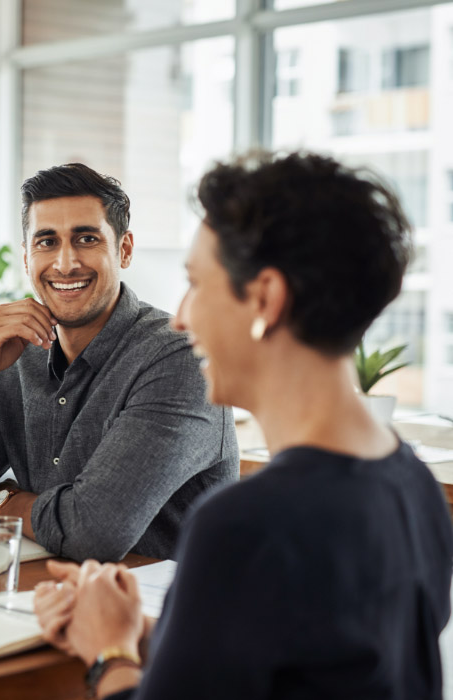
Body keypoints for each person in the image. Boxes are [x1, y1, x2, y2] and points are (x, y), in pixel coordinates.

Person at [34, 151, 453, 699]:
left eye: (197, 284)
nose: (181, 316)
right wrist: (148, 629)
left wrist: (110, 651)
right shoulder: (412, 486)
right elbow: (315, 664)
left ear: (265, 300)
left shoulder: (245, 526)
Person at [0, 163, 238, 561]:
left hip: (158, 614)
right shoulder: (16, 354)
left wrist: (1, 501)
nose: (65, 264)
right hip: (46, 597)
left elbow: (94, 531)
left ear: (125, 249)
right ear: (27, 257)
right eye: (46, 242)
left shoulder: (177, 359)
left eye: (86, 238)